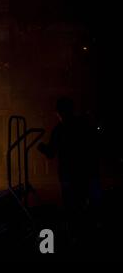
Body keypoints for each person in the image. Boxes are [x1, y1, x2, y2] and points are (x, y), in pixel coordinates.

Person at [38, 97, 100, 230]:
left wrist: (41, 147)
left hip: (69, 174)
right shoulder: (84, 124)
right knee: (87, 202)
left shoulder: (59, 129)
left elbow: (51, 153)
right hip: (87, 172)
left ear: (59, 112)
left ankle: (74, 231)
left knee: (71, 205)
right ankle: (90, 228)